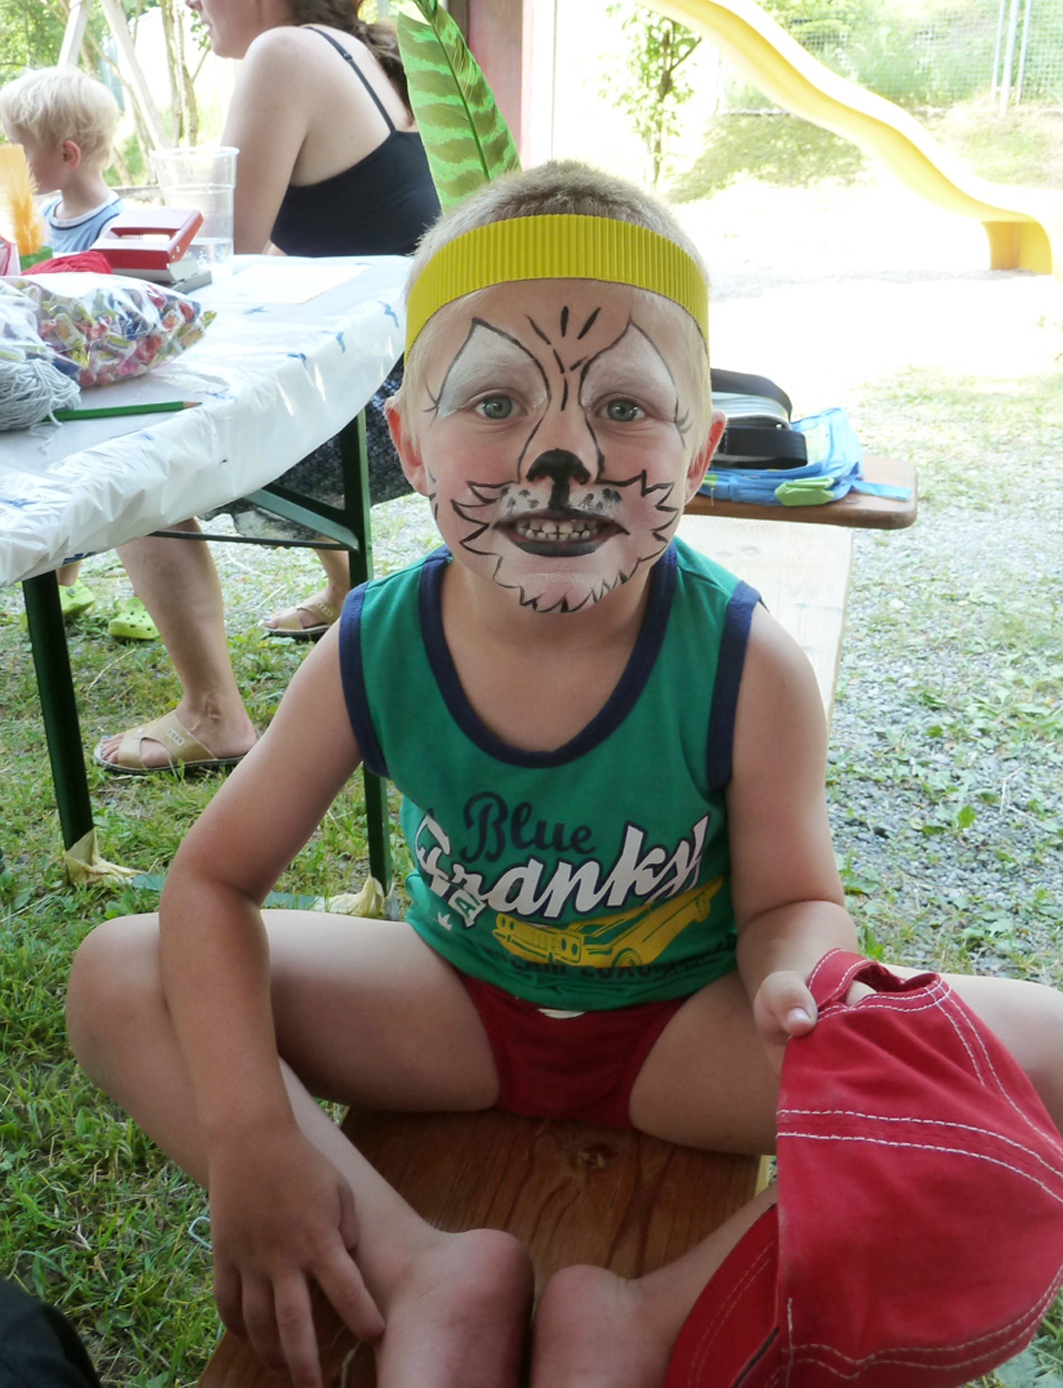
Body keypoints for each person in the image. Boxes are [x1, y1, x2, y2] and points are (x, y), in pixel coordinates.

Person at [66, 162, 1063, 1388]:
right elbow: (212, 885)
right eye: (495, 400)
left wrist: (800, 984)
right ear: (408, 441)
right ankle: (415, 1267)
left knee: (1046, 1055)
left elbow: (792, 899)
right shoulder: (374, 646)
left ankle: (649, 1317)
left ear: (698, 452)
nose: (560, 455)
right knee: (119, 972)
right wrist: (250, 1132)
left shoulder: (745, 663)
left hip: (684, 1033)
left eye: (624, 406)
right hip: (454, 1008)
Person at [93, 0, 439, 772]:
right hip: (424, 394)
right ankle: (345, 593)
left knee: (129, 434)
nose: (189, 4)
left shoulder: (282, 53)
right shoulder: (354, 54)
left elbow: (221, 255)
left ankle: (213, 713)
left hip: (381, 416)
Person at [0, 66, 126, 626]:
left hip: (101, 378)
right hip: (50, 373)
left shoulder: (118, 228)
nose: (7, 160)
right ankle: (62, 583)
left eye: (17, 147)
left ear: (67, 154)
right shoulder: (40, 219)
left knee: (120, 488)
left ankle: (122, 591)